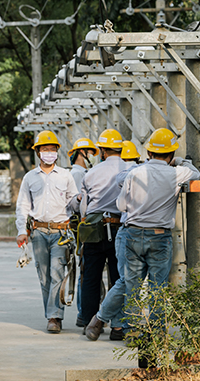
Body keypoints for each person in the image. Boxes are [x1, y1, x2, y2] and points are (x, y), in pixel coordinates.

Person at [115, 128, 199, 362]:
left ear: (149, 151)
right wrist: (180, 161)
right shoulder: (177, 173)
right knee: (157, 290)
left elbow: (121, 206)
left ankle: (131, 330)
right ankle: (155, 337)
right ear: (171, 154)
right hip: (160, 237)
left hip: (132, 235)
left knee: (132, 285)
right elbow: (196, 172)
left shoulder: (135, 172)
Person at [15, 130, 79, 333]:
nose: (49, 153)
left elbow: (73, 201)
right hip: (39, 232)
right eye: (45, 149)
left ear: (57, 152)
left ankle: (54, 317)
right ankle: (51, 313)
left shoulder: (66, 176)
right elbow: (23, 205)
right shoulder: (30, 178)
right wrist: (21, 230)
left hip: (61, 232)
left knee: (57, 273)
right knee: (44, 276)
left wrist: (79, 201)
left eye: (52, 149)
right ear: (38, 152)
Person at [77, 129, 126, 328]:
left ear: (103, 151)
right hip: (119, 227)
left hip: (94, 228)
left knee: (91, 276)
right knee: (119, 277)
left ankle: (88, 320)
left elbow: (84, 207)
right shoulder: (131, 169)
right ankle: (118, 325)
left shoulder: (91, 173)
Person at [66, 137, 97, 327]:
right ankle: (83, 312)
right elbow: (78, 203)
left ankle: (86, 312)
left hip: (83, 225)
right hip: (82, 225)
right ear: (82, 153)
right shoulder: (78, 174)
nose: (93, 155)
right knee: (85, 269)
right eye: (91, 152)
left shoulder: (84, 172)